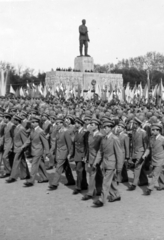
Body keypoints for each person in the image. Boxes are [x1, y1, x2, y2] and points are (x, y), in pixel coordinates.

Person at [93, 119, 123, 207]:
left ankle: (101, 200)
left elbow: (119, 154)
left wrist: (119, 167)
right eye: (104, 127)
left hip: (111, 164)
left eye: (107, 127)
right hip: (104, 163)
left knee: (105, 182)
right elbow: (100, 151)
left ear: (111, 128)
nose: (105, 129)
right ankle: (116, 195)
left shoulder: (115, 139)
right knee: (112, 181)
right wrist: (96, 162)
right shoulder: (103, 138)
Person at [21, 116, 49, 187]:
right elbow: (29, 139)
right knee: (40, 165)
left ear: (37, 123)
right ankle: (45, 178)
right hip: (34, 150)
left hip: (38, 151)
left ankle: (31, 180)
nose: (32, 124)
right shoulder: (32, 130)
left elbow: (45, 142)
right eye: (32, 122)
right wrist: (23, 146)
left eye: (34, 122)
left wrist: (47, 152)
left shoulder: (40, 131)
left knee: (34, 165)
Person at [48, 117, 75, 191]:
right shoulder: (58, 131)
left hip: (63, 152)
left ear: (62, 123)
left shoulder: (65, 132)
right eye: (56, 123)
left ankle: (54, 183)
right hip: (58, 152)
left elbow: (69, 144)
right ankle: (71, 180)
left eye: (59, 123)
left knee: (58, 167)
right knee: (66, 167)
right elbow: (54, 139)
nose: (57, 125)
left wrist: (70, 153)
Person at [82, 118, 103, 200]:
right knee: (92, 174)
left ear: (97, 126)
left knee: (97, 175)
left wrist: (97, 160)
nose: (91, 126)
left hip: (97, 158)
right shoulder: (90, 134)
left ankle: (95, 191)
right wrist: (85, 156)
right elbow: (88, 148)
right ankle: (92, 192)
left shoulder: (100, 136)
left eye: (93, 124)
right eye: (90, 124)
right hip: (90, 158)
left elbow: (100, 150)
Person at [6, 115, 30, 183]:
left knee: (15, 161)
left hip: (19, 147)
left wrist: (23, 148)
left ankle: (13, 177)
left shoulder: (21, 128)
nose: (12, 121)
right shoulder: (15, 127)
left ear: (17, 121)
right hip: (16, 146)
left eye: (14, 120)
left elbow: (26, 140)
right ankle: (26, 174)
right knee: (22, 161)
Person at [128, 117, 149, 190]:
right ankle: (144, 181)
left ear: (138, 124)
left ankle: (134, 184)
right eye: (133, 123)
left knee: (137, 167)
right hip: (134, 152)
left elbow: (146, 144)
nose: (133, 125)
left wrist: (145, 154)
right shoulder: (133, 131)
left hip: (141, 151)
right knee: (140, 167)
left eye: (135, 123)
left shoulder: (143, 132)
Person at [143, 123, 164, 195]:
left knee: (155, 173)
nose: (153, 131)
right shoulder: (151, 138)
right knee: (159, 173)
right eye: (152, 130)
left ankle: (149, 188)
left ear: (159, 131)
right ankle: (162, 185)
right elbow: (148, 148)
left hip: (160, 159)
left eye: (155, 130)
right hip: (153, 158)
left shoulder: (162, 139)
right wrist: (145, 155)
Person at [72, 117, 89, 194]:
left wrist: (85, 155)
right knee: (82, 170)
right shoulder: (77, 132)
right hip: (77, 153)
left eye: (76, 123)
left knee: (79, 170)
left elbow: (86, 145)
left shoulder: (85, 132)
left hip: (81, 154)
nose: (75, 124)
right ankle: (84, 184)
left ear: (80, 124)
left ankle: (78, 187)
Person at [0, 113, 15, 178]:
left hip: (9, 144)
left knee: (4, 157)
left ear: (7, 118)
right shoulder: (5, 125)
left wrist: (12, 145)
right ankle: (10, 171)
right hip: (5, 144)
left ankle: (8, 172)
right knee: (9, 159)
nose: (3, 119)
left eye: (4, 118)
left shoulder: (11, 125)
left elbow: (13, 136)